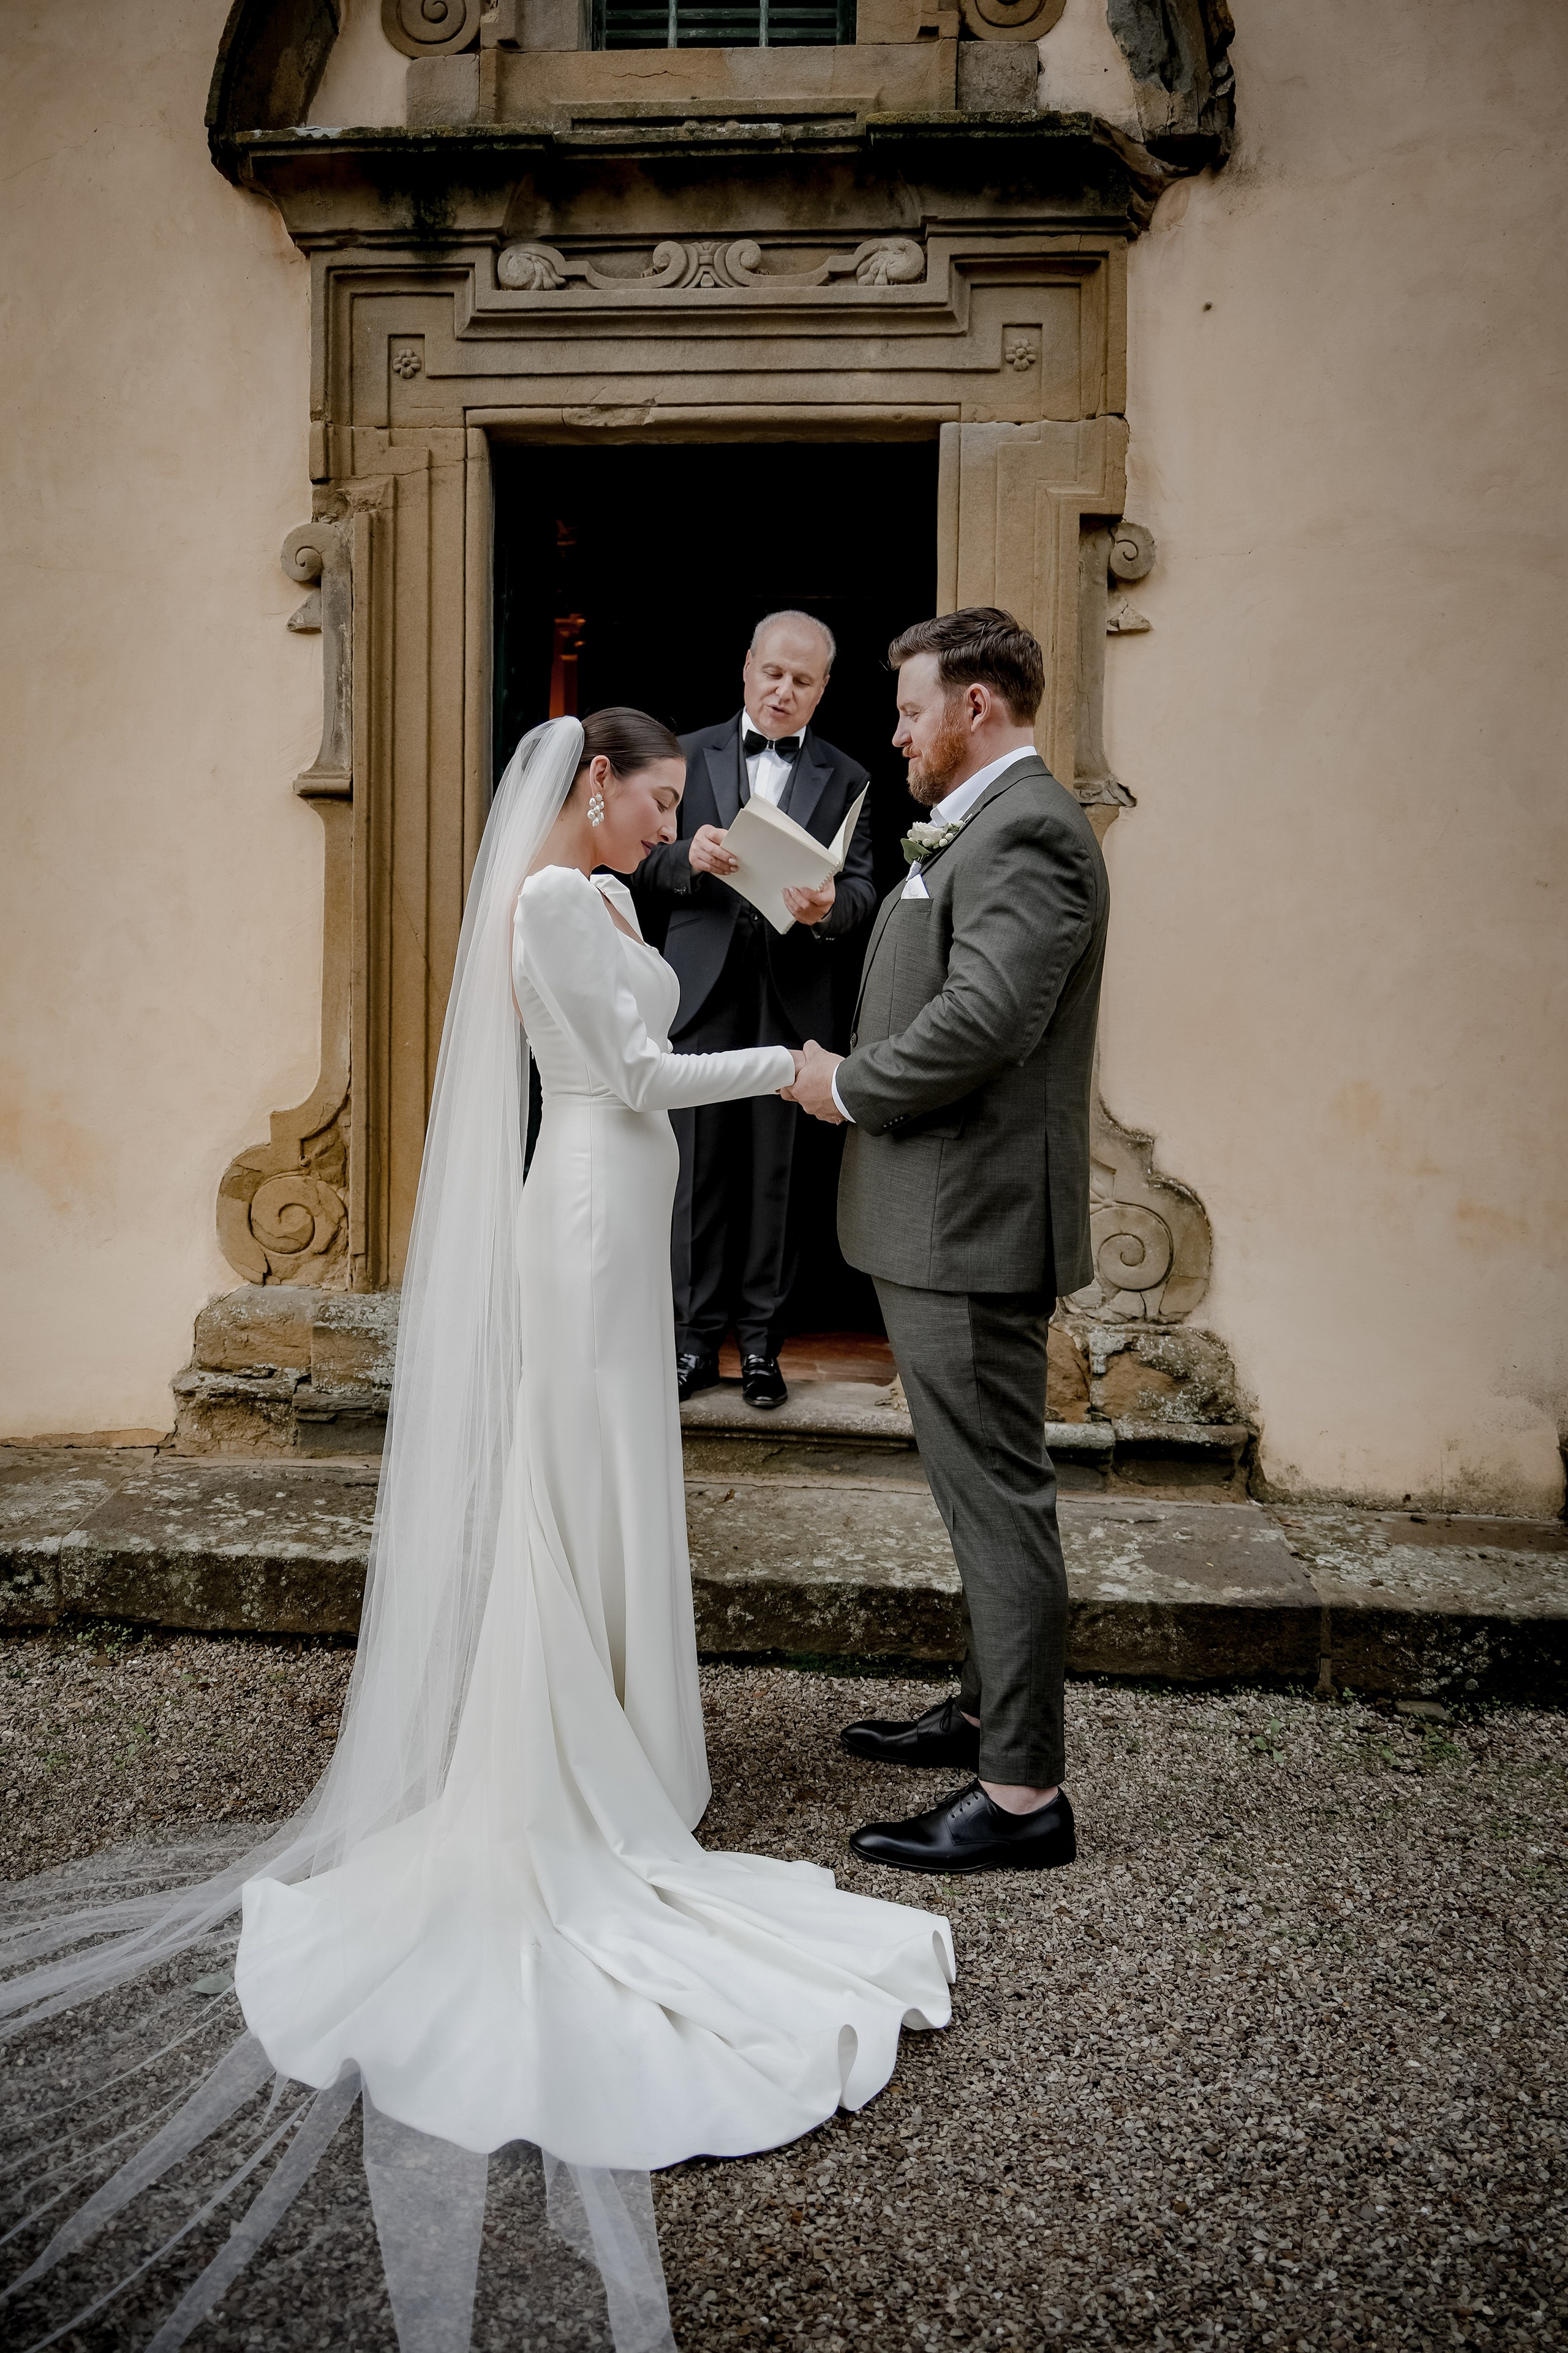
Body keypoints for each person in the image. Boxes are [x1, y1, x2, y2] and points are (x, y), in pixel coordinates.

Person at [2, 709, 952, 2352]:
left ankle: (630, 1747)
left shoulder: (598, 898)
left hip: (614, 1198)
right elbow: (628, 1072)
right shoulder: (547, 907)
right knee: (580, 1476)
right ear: (594, 789)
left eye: (677, 812)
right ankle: (589, 1767)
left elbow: (643, 1017)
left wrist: (723, 908)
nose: (670, 828)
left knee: (605, 1480)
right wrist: (787, 1069)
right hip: (587, 1209)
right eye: (655, 805)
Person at [784, 609, 1109, 1879]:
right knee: (975, 1492)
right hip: (936, 1217)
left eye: (912, 710)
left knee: (996, 1503)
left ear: (976, 707)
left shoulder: (1029, 829)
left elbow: (984, 1019)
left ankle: (1023, 1795)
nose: (896, 731)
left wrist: (847, 1086)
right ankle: (980, 1716)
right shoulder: (972, 825)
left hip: (972, 1223)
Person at [636, 611, 876, 1410]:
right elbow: (637, 856)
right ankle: (693, 1344)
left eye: (802, 681)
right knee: (694, 1174)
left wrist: (825, 910)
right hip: (698, 990)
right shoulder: (685, 752)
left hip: (792, 995)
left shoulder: (847, 775)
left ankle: (765, 1348)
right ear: (747, 669)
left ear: (823, 690)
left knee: (776, 1179)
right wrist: (686, 857)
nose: (783, 690)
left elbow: (865, 889)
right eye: (773, 673)